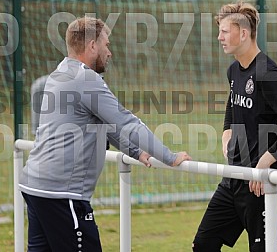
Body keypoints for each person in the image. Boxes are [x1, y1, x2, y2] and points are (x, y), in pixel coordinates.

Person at [19, 16, 191, 252]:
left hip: (35, 188)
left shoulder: (60, 73)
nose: (109, 52)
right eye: (106, 44)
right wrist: (169, 157)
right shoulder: (86, 79)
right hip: (61, 194)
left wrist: (135, 152)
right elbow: (126, 122)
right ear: (92, 46)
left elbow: (100, 124)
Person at [192, 0, 277, 251]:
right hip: (235, 177)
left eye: (224, 31)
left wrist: (264, 164)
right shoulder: (234, 70)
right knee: (202, 244)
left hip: (262, 183)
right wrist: (226, 134)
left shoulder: (267, 73)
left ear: (243, 33)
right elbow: (232, 106)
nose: (219, 37)